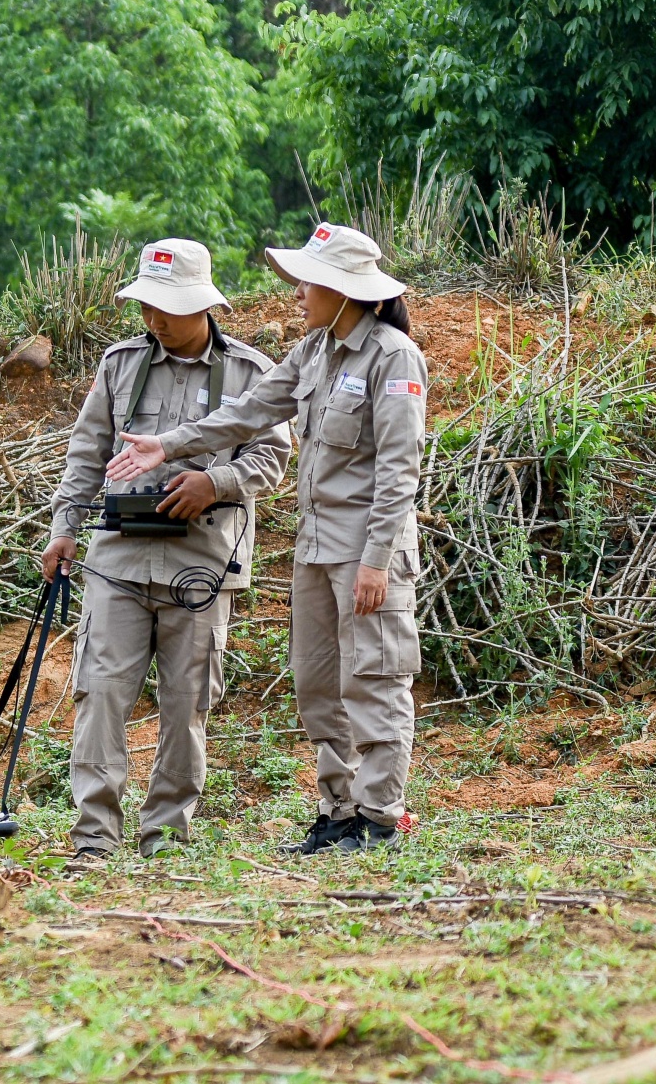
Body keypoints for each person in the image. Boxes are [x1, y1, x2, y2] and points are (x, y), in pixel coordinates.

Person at [108, 222, 427, 853]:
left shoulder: (394, 357)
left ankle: (379, 817)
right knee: (317, 684)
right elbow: (249, 412)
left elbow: (399, 471)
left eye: (308, 282)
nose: (298, 293)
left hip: (367, 551)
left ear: (344, 290)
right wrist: (167, 445)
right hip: (316, 548)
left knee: (375, 679)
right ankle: (339, 811)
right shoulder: (313, 351)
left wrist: (377, 561)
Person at [43, 239, 292, 861]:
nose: (153, 319)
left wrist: (215, 482)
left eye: (167, 307)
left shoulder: (251, 373)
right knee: (100, 693)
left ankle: (165, 836)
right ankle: (95, 837)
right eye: (146, 306)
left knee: (186, 704)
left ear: (202, 305)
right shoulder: (120, 364)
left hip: (200, 566)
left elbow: (273, 456)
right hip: (117, 561)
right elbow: (87, 452)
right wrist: (64, 527)